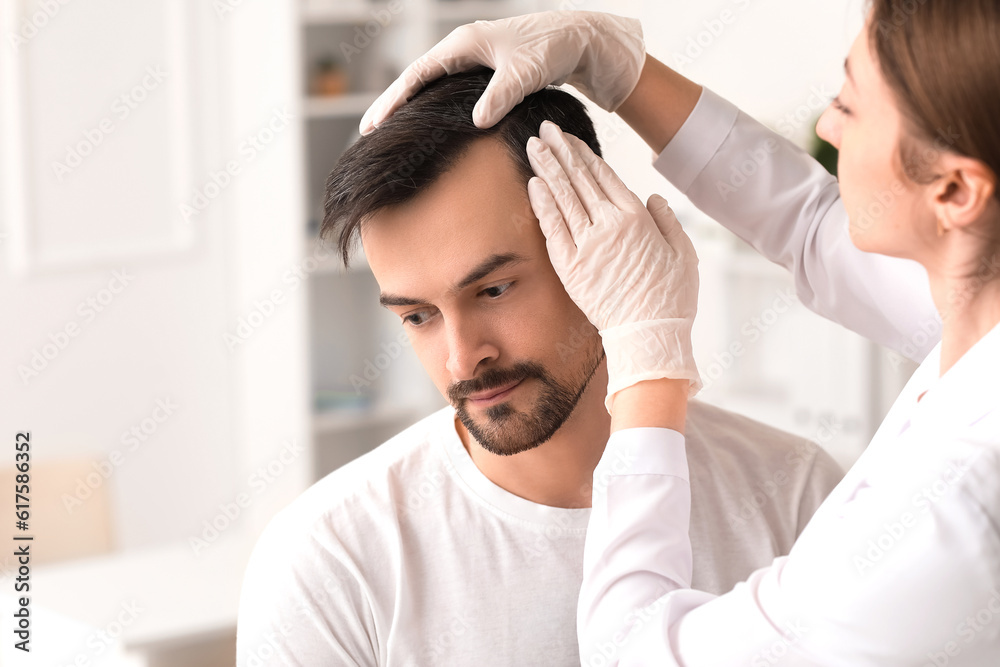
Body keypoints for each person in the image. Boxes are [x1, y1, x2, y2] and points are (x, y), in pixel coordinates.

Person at [363, 1, 1000, 664]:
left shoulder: (939, 516)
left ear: (955, 192)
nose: (825, 124)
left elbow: (633, 652)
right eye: (416, 314)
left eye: (851, 104)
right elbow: (810, 225)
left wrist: (648, 356)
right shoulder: (978, 304)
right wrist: (619, 69)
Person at [234, 69, 844, 666]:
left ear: (600, 232)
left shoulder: (793, 497)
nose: (462, 357)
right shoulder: (326, 563)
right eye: (418, 316)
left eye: (494, 289)